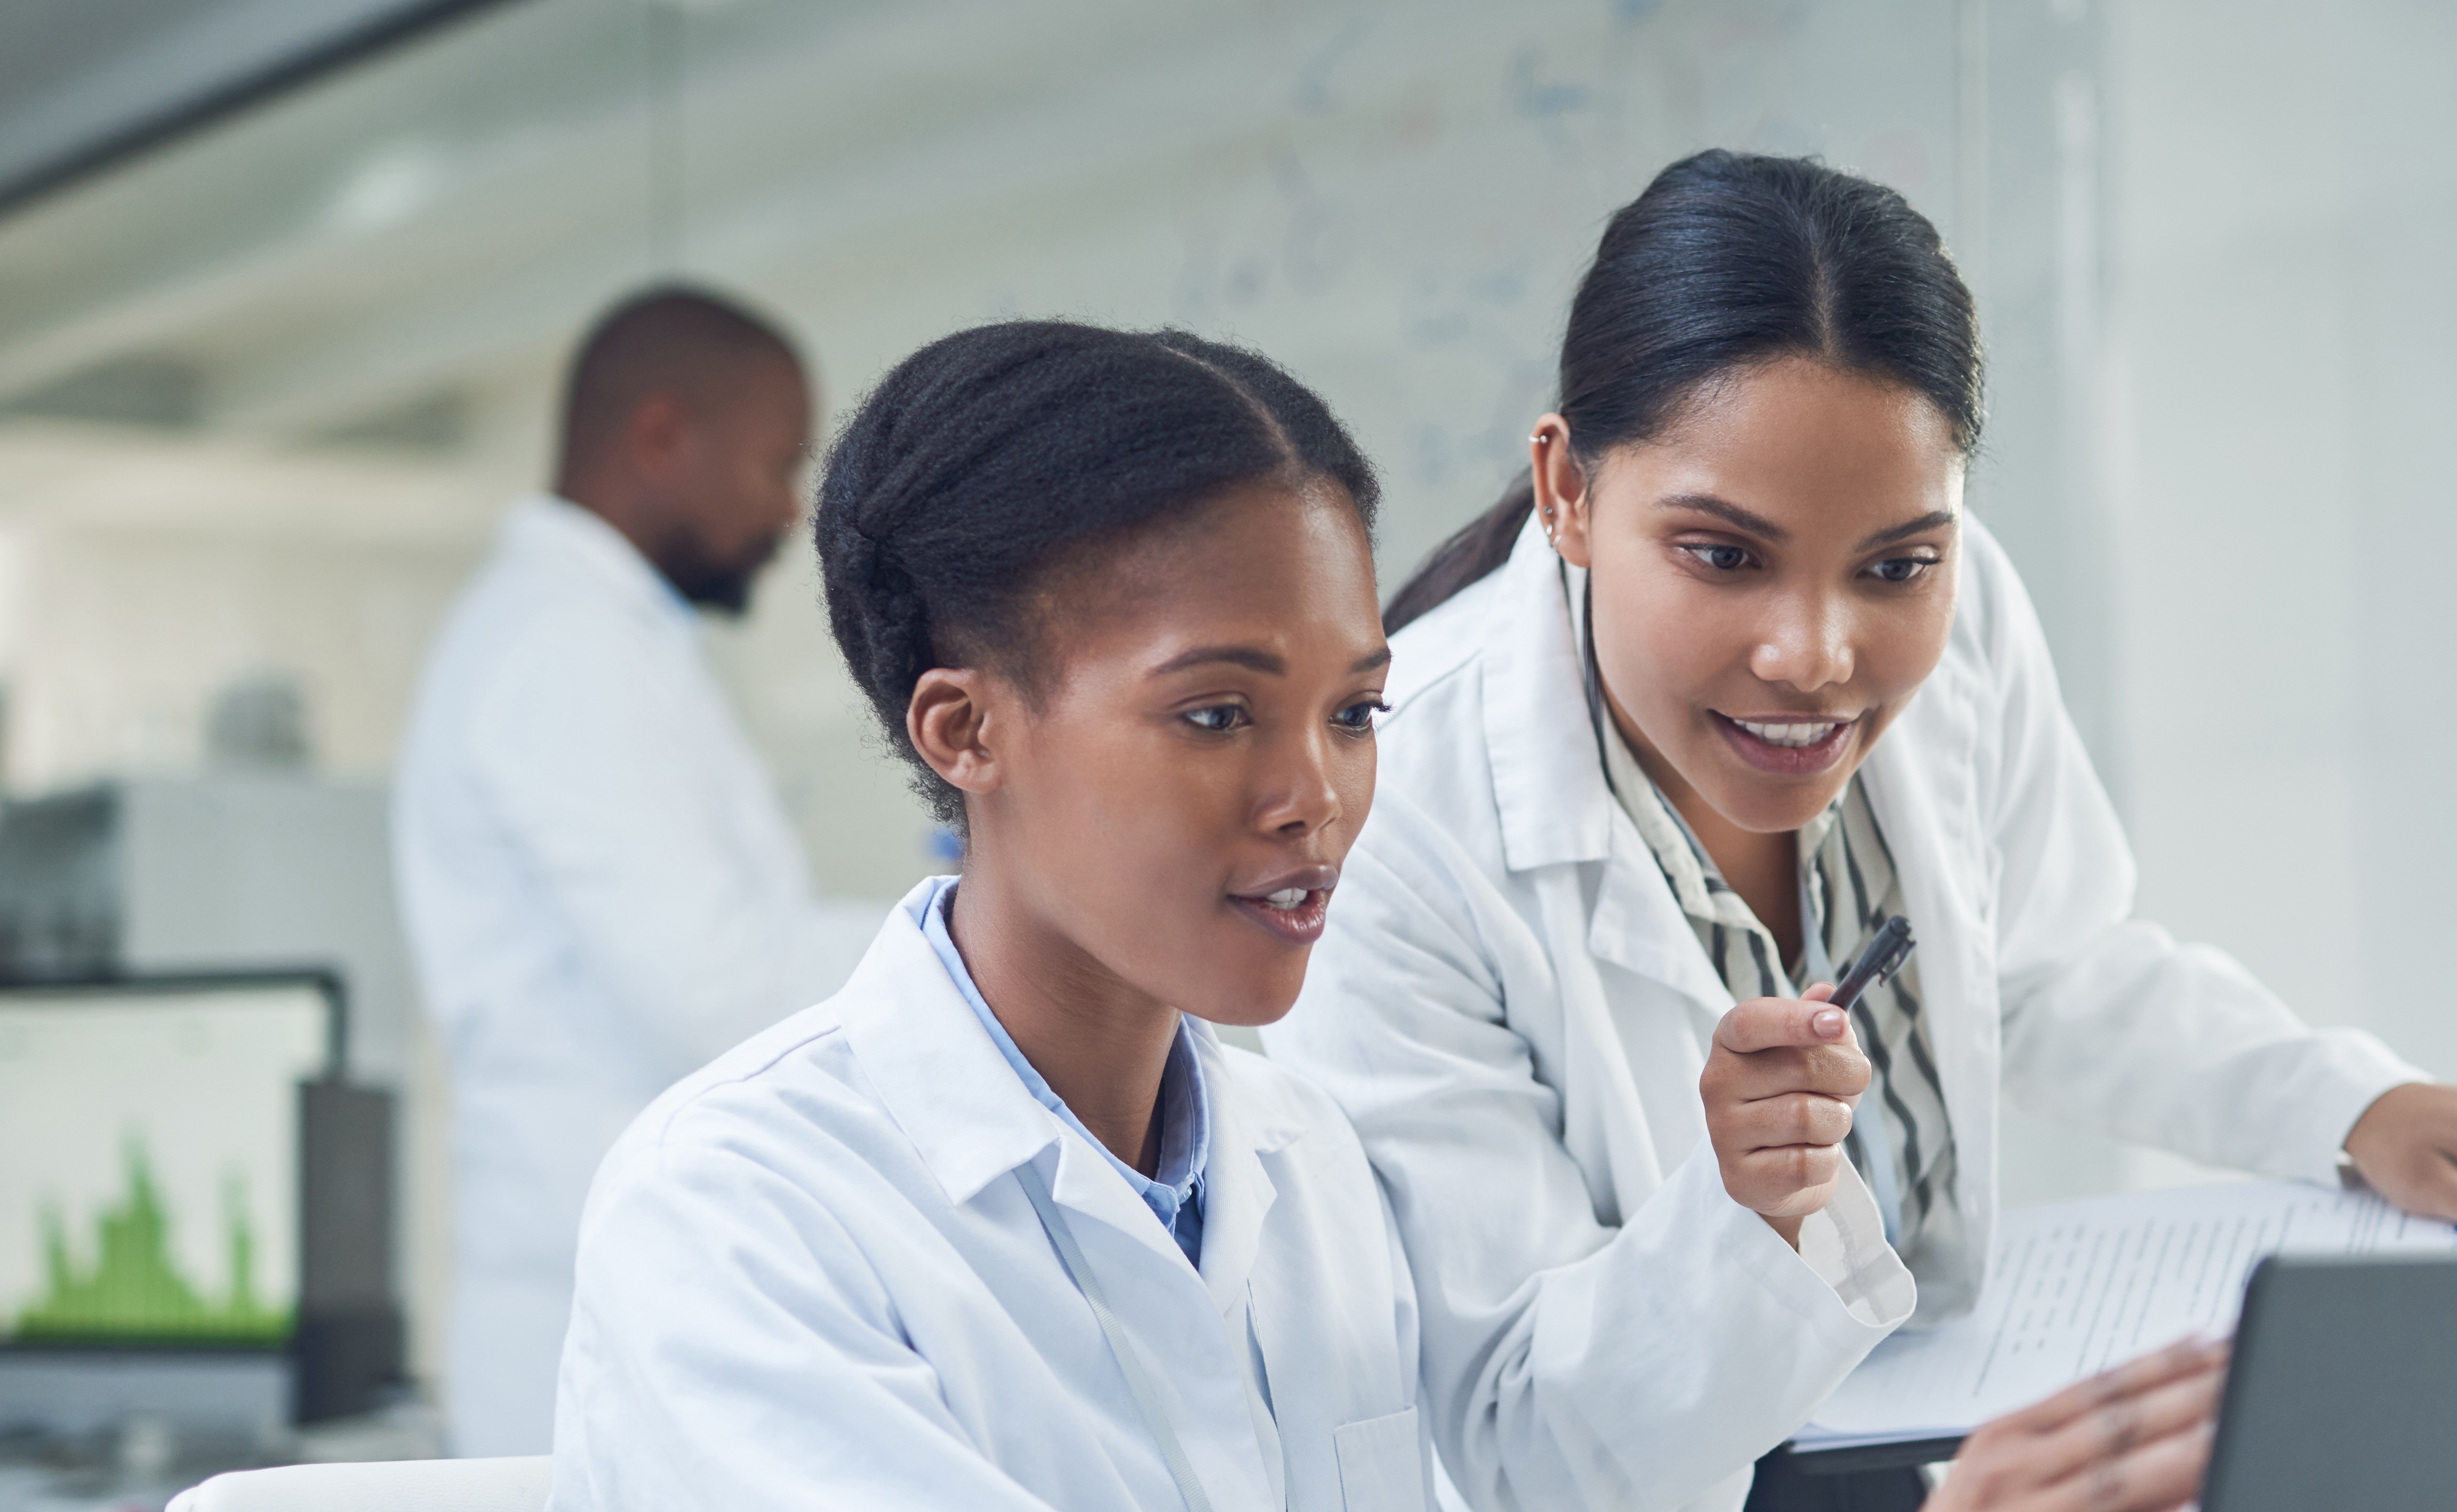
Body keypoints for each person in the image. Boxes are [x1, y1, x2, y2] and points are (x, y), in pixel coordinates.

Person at [549, 320, 2227, 1511]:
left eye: (1353, 712)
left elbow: (1547, 1462)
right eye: (1217, 714)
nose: (1314, 796)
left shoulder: (1298, 1169)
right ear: (962, 729)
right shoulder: (741, 1218)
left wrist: (1745, 1211)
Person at [1261, 150, 2457, 1512]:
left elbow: (2051, 963)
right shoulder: (1396, 814)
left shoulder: (1970, 605)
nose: (1816, 655)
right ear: (1570, 493)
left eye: (1896, 565)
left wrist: (2347, 1103)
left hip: (1926, 1416)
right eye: (1725, 555)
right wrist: (1750, 1212)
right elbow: (1517, 1436)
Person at [392, 286, 878, 1456]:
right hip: (588, 1311)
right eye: (775, 463)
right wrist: (986, 930)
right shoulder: (566, 650)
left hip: (615, 1292)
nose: (788, 507)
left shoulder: (594, 640)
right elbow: (712, 993)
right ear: (660, 439)